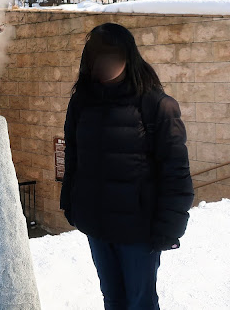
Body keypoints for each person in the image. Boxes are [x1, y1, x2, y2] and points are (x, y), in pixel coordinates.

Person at [60, 23, 194, 310]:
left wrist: (170, 228)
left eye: (111, 55)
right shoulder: (81, 103)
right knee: (113, 300)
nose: (103, 63)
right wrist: (70, 204)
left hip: (139, 231)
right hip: (97, 224)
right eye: (97, 55)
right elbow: (74, 157)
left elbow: (176, 172)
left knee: (141, 302)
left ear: (128, 57)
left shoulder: (157, 105)